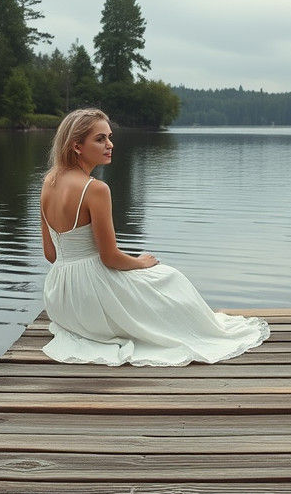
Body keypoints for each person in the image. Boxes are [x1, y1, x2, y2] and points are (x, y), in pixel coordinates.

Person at [39, 108, 269, 366]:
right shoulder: (96, 189)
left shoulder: (49, 183)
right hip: (88, 299)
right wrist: (140, 262)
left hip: (61, 300)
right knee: (168, 277)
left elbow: (51, 255)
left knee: (147, 284)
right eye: (100, 139)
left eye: (109, 137)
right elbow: (110, 257)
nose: (110, 144)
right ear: (77, 146)